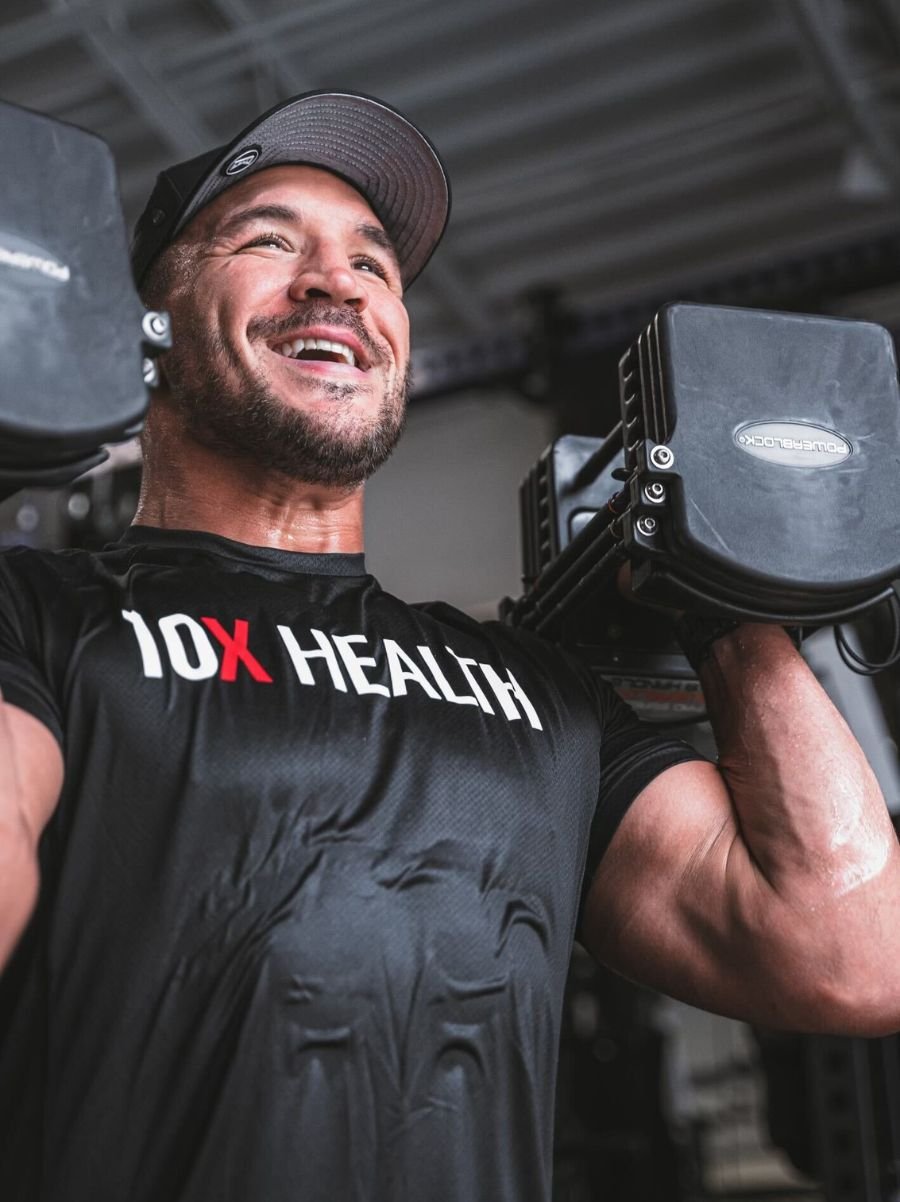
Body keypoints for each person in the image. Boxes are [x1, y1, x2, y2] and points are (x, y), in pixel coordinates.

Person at [0, 90, 898, 1202]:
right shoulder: (47, 620)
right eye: (269, 240)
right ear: (150, 326)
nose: (336, 281)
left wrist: (722, 590)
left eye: (374, 265)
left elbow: (854, 948)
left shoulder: (537, 695)